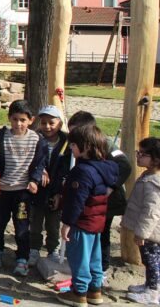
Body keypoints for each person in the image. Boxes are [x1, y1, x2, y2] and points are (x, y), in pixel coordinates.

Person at [54, 111, 131, 284]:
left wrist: (111, 187)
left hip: (105, 202)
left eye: (76, 133)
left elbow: (124, 165)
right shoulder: (77, 149)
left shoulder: (107, 145)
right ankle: (91, 274)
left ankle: (99, 272)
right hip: (86, 200)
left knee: (100, 236)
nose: (72, 138)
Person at [56, 124, 118, 307]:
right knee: (94, 257)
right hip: (97, 221)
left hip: (81, 223)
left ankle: (79, 292)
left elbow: (76, 201)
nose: (71, 149)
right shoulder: (106, 167)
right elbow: (112, 183)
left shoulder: (82, 171)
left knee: (79, 258)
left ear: (86, 147)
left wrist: (67, 223)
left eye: (73, 145)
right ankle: (95, 290)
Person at [0, 100, 48, 277]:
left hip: (23, 192)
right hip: (3, 189)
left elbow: (40, 163)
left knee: (22, 226)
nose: (18, 124)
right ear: (9, 118)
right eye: (15, 119)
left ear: (31, 120)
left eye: (23, 120)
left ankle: (22, 258)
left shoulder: (37, 140)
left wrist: (35, 180)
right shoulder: (0, 138)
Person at [29, 106, 68, 266]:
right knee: (35, 222)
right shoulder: (36, 138)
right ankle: (34, 249)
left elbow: (67, 167)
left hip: (56, 190)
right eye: (43, 122)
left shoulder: (67, 142)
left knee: (53, 223)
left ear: (59, 123)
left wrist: (60, 192)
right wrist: (40, 170)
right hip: (38, 189)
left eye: (51, 123)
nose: (47, 126)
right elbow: (31, 160)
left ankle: (53, 249)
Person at [123, 137, 160, 304]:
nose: (138, 156)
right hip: (146, 231)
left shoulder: (153, 183)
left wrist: (142, 233)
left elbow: (151, 212)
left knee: (152, 261)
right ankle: (149, 285)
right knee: (148, 260)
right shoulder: (147, 175)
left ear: (155, 160)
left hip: (151, 233)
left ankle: (153, 292)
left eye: (142, 154)